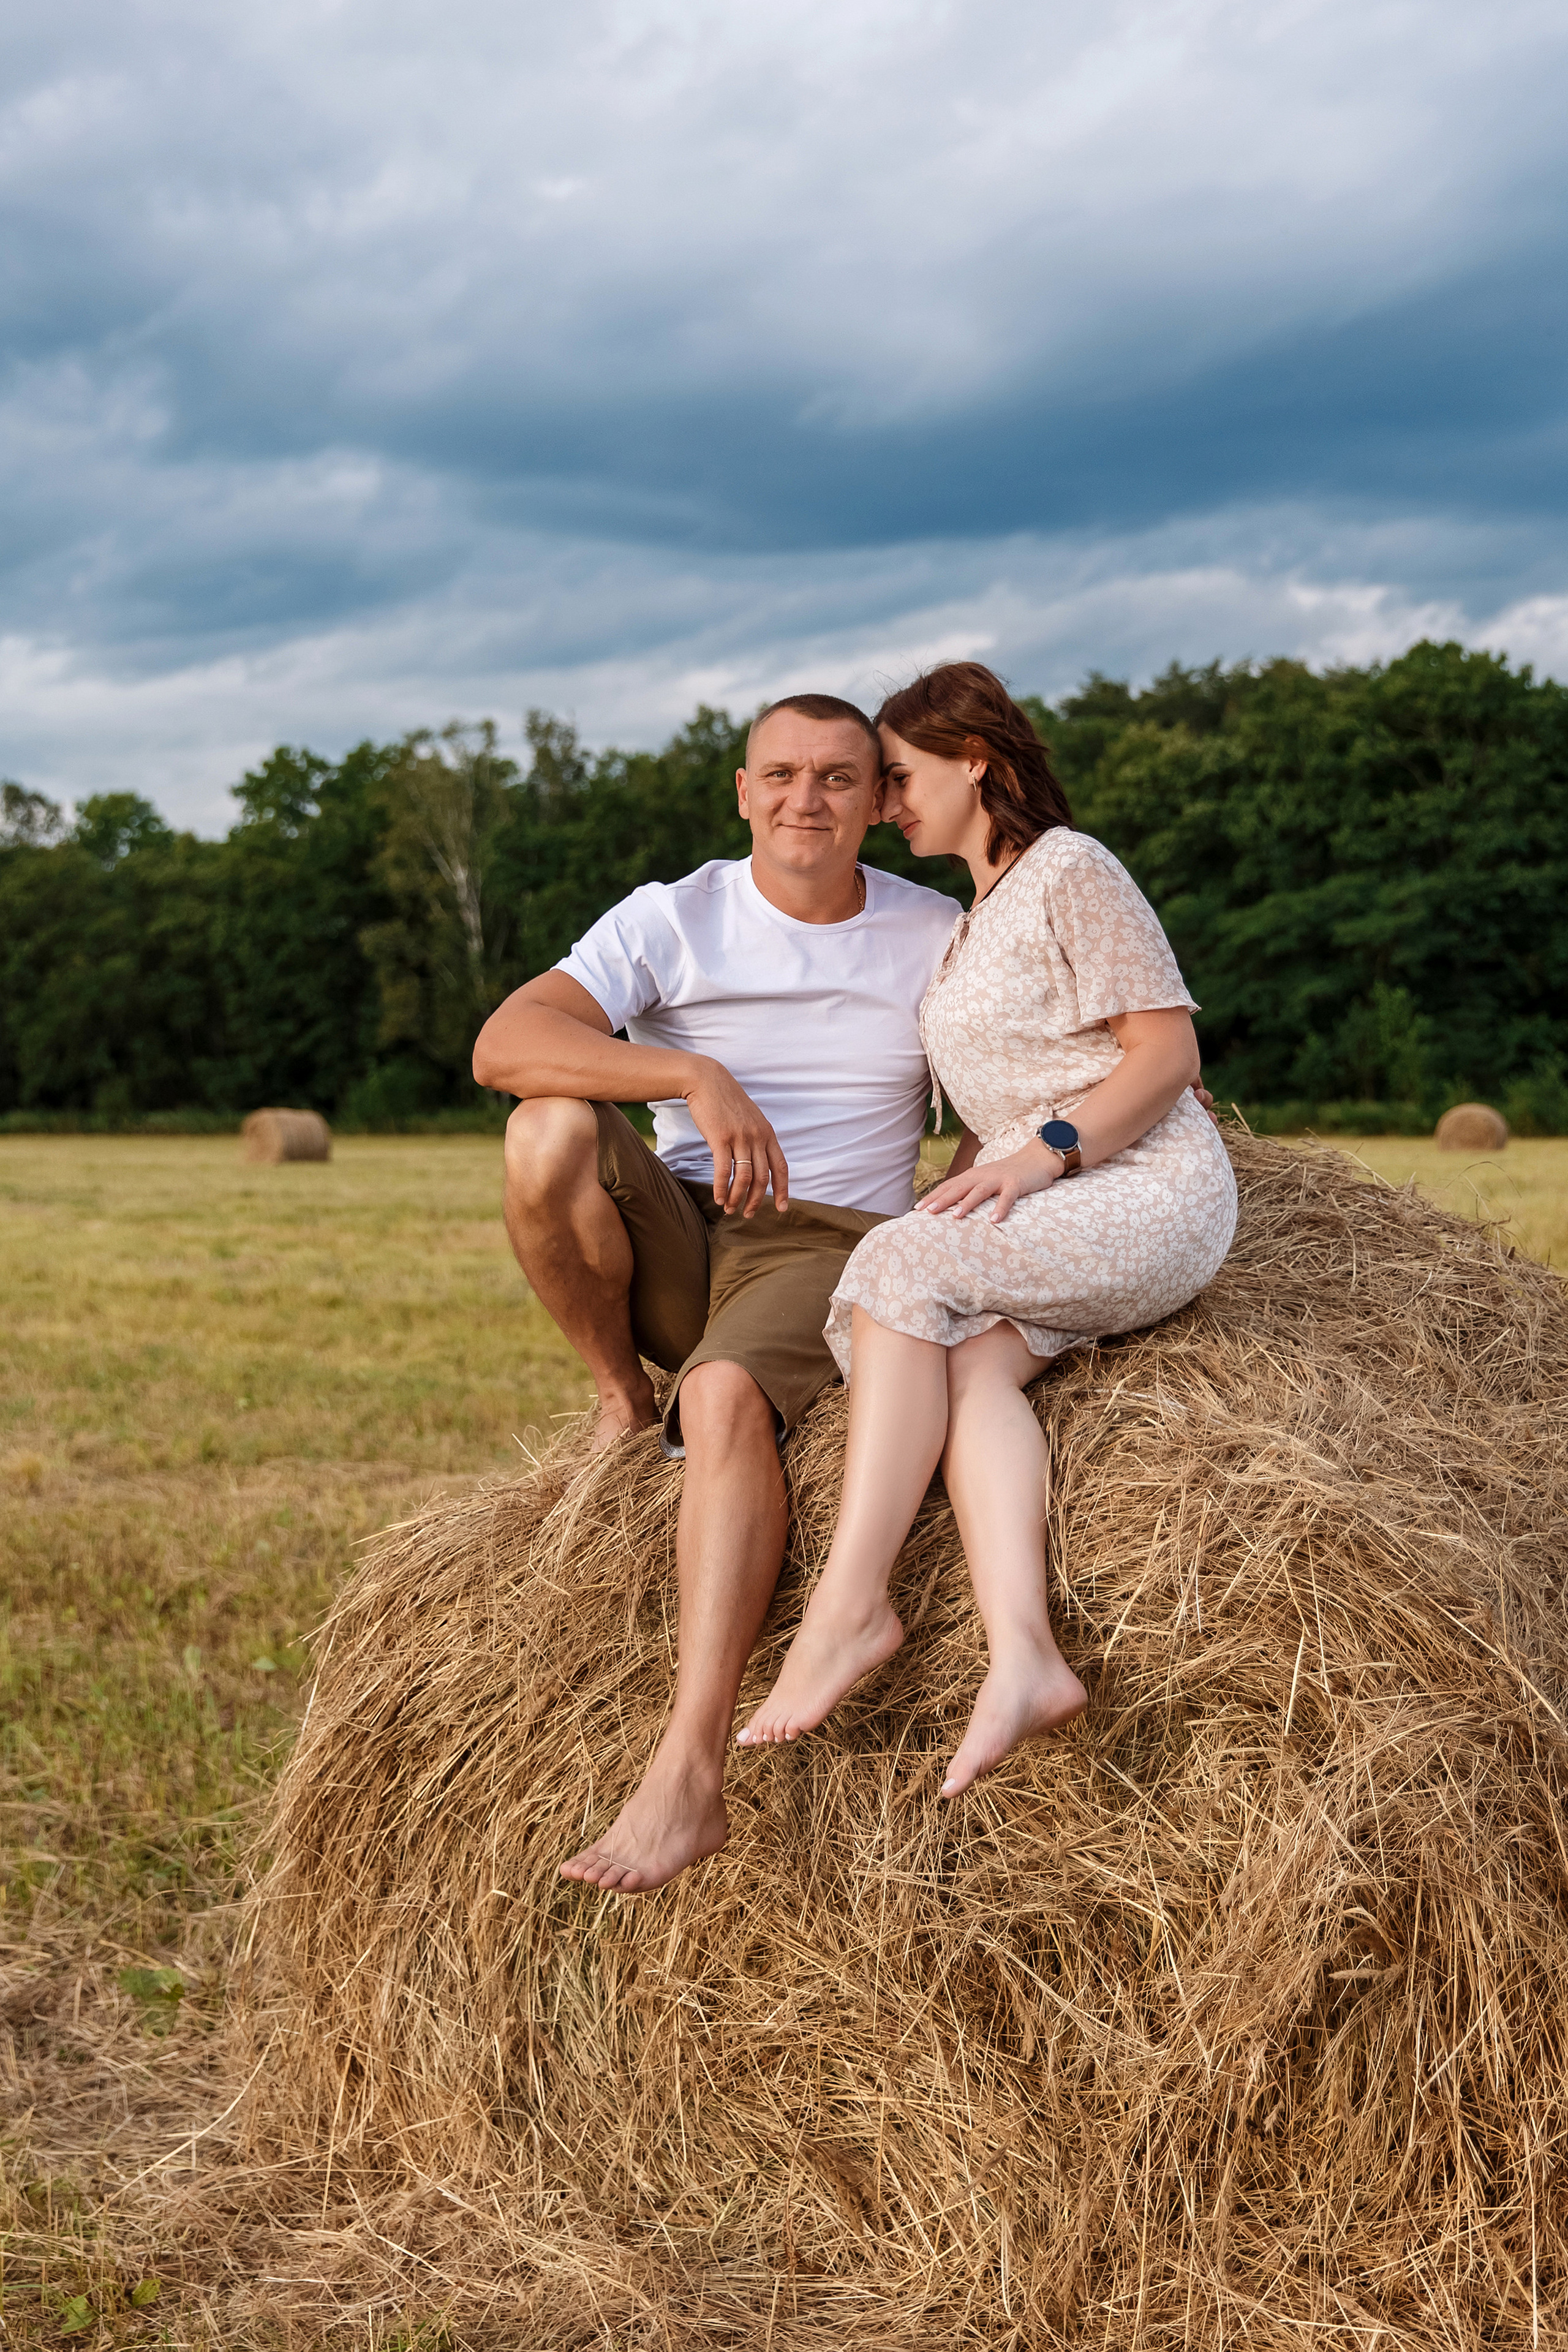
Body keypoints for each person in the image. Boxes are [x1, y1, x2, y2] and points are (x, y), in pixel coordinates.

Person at [736, 662, 1238, 1799]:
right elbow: (995, 1109)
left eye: (899, 777)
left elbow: (1166, 1054)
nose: (883, 803)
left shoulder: (1071, 869)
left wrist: (1043, 1151)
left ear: (979, 765)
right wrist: (969, 1181)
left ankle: (850, 1607)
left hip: (1141, 1185)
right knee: (962, 1366)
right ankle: (1025, 1655)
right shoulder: (971, 920)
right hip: (1050, 1193)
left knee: (894, 1267)